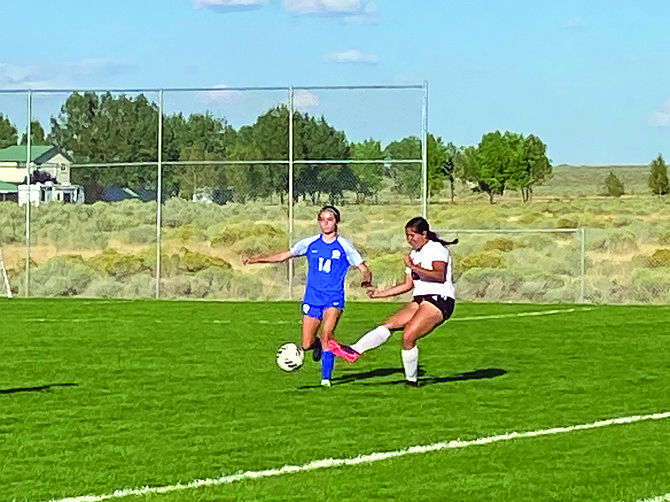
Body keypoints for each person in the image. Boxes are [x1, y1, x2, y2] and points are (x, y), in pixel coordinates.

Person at [244, 205, 372, 387]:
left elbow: (364, 268)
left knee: (327, 334)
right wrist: (256, 260)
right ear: (319, 222)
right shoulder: (310, 243)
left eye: (330, 219)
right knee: (306, 344)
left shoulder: (344, 246)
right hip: (312, 298)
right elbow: (284, 256)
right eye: (322, 219)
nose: (326, 223)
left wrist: (366, 279)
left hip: (333, 298)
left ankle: (326, 379)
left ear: (337, 221)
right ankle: (319, 346)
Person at [329, 217, 456, 387]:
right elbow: (407, 285)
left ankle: (412, 383)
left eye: (413, 235)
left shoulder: (436, 249)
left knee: (408, 336)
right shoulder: (413, 255)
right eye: (407, 236)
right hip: (421, 299)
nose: (410, 239)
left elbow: (439, 276)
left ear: (424, 234)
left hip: (440, 299)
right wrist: (380, 293)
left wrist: (413, 266)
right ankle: (354, 350)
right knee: (388, 325)